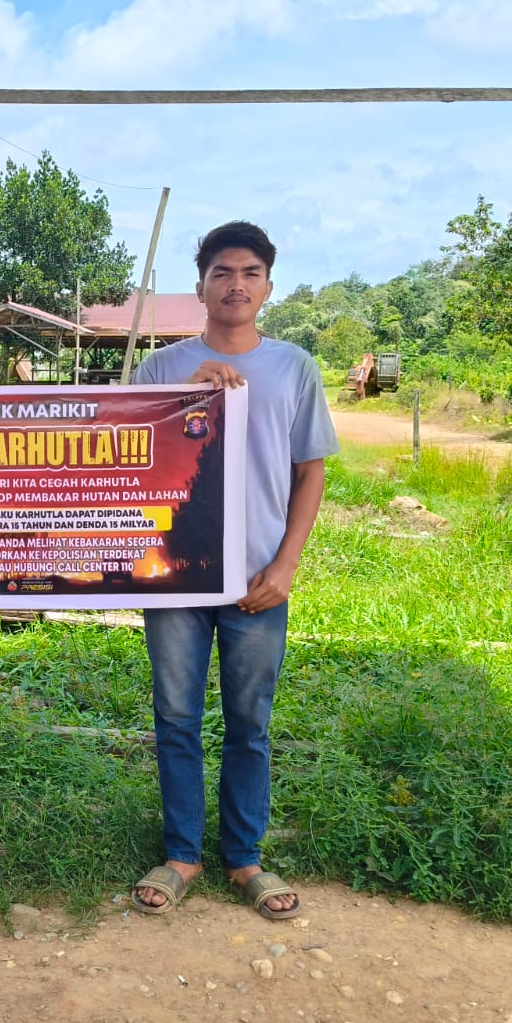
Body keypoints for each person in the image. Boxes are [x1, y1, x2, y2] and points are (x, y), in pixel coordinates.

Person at [129, 220, 339, 921]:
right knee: (177, 717)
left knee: (249, 721)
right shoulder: (162, 366)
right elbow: (121, 453)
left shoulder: (294, 368)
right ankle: (183, 853)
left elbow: (309, 472)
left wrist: (287, 563)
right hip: (175, 575)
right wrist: (183, 394)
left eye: (250, 273)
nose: (236, 284)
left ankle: (245, 858)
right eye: (223, 272)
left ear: (268, 286)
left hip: (257, 580)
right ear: (200, 287)